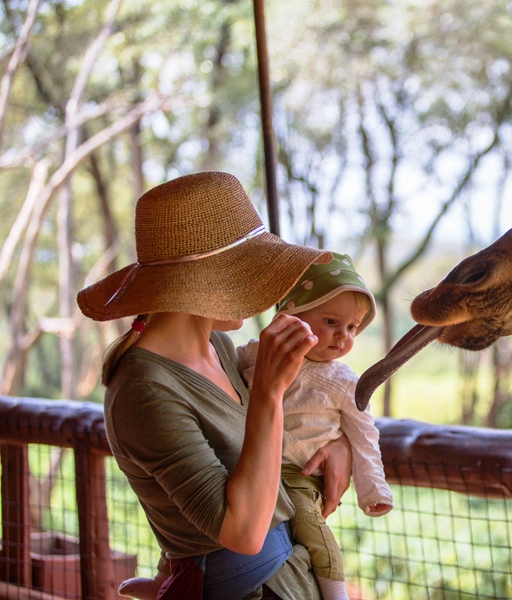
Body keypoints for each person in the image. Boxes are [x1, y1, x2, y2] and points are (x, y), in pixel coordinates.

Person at [77, 171, 352, 600]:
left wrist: (339, 443)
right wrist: (267, 393)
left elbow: (263, 445)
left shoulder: (218, 345)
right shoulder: (143, 388)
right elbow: (242, 533)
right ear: (212, 277)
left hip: (291, 576)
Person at [239, 253, 393, 600]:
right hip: (252, 463)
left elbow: (364, 436)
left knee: (309, 524)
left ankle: (335, 591)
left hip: (301, 476)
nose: (343, 337)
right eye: (331, 322)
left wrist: (373, 490)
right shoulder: (257, 353)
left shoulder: (343, 381)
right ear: (290, 316)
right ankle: (169, 575)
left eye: (352, 328)